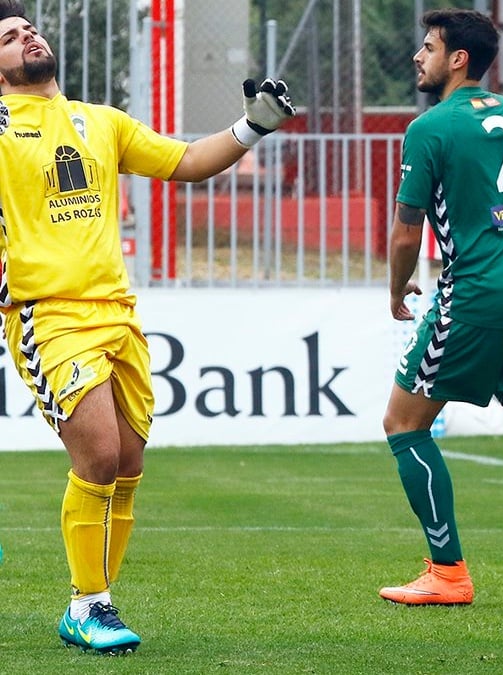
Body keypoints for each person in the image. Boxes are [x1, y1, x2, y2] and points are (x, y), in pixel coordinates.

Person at [0, 0, 295, 654]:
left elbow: (185, 160)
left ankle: (94, 602)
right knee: (99, 452)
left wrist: (252, 126)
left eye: (29, 28)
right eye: (11, 37)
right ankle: (89, 603)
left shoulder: (100, 121)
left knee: (128, 460)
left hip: (118, 314)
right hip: (47, 316)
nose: (29, 37)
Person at [378, 8, 503, 610]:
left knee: (402, 423)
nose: (419, 56)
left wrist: (397, 288)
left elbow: (405, 231)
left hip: (473, 296)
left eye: (428, 46)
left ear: (457, 59)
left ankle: (448, 572)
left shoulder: (432, 128)